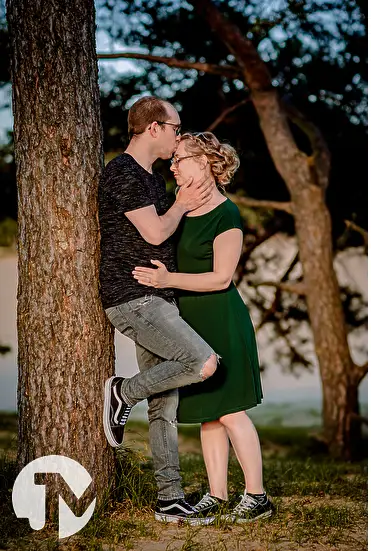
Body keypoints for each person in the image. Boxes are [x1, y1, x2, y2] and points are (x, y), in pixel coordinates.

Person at [132, 131, 274, 523]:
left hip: (221, 318)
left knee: (231, 411)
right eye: (173, 159)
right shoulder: (179, 209)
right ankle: (217, 493)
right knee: (210, 413)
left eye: (181, 159)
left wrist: (166, 282)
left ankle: (258, 496)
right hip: (190, 323)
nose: (172, 165)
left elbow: (220, 278)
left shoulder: (227, 214)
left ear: (207, 163)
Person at [98, 95, 219, 525]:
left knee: (164, 405)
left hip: (156, 297)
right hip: (134, 298)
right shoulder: (123, 172)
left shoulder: (150, 178)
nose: (178, 135)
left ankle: (169, 499)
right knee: (203, 361)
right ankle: (121, 393)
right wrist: (183, 203)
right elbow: (153, 233)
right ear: (154, 127)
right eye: (174, 127)